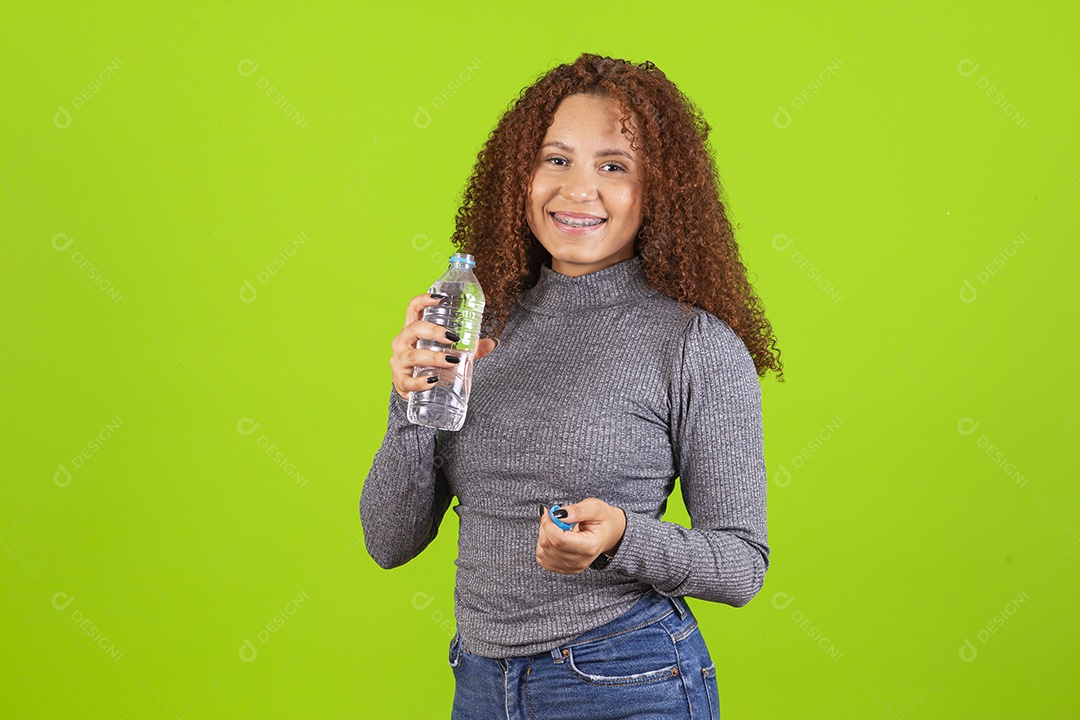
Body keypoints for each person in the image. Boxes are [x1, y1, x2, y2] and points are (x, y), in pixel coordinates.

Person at [360, 53, 783, 719]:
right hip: (479, 683)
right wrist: (412, 401)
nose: (577, 189)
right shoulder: (478, 323)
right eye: (555, 159)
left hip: (626, 679)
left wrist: (620, 539)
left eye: (613, 165)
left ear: (659, 188)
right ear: (519, 177)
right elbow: (389, 542)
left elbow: (740, 566)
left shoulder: (693, 344)